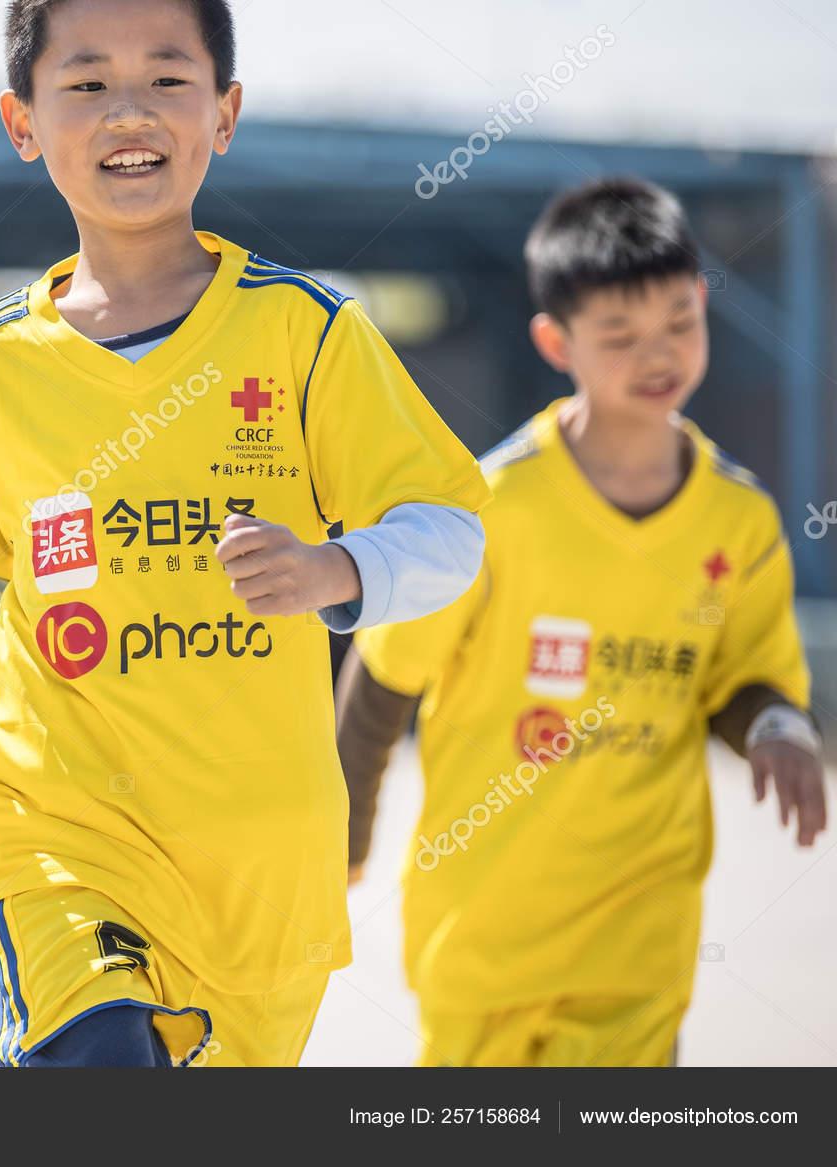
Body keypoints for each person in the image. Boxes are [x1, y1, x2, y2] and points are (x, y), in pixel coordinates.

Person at [0, 0, 490, 1066]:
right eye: (86, 84)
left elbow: (453, 530)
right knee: (99, 1055)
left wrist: (335, 568)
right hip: (60, 832)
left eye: (167, 79)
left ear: (225, 114)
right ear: (23, 122)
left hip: (260, 865)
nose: (130, 113)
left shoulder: (306, 331)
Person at [337, 176, 826, 1066]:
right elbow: (385, 675)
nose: (658, 353)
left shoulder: (740, 520)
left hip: (640, 942)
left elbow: (745, 677)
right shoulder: (491, 507)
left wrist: (779, 728)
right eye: (621, 335)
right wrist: (346, 829)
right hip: (482, 936)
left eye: (679, 321)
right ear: (556, 342)